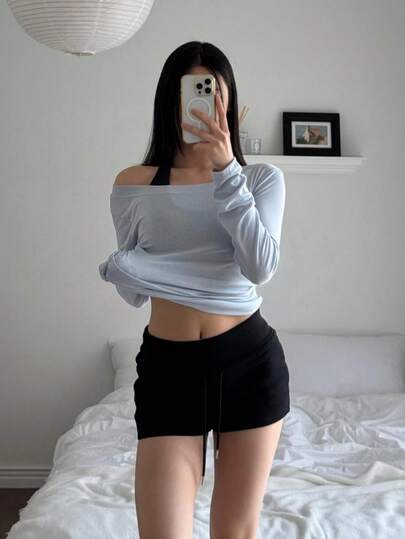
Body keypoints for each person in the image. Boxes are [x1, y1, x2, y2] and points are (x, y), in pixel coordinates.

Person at [99, 41, 289, 539]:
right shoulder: (134, 183)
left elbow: (259, 267)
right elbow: (133, 292)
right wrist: (131, 270)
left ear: (230, 103)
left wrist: (226, 173)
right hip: (168, 368)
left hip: (249, 361)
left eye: (216, 94)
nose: (206, 105)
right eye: (195, 93)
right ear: (171, 101)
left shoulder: (259, 179)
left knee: (234, 531)